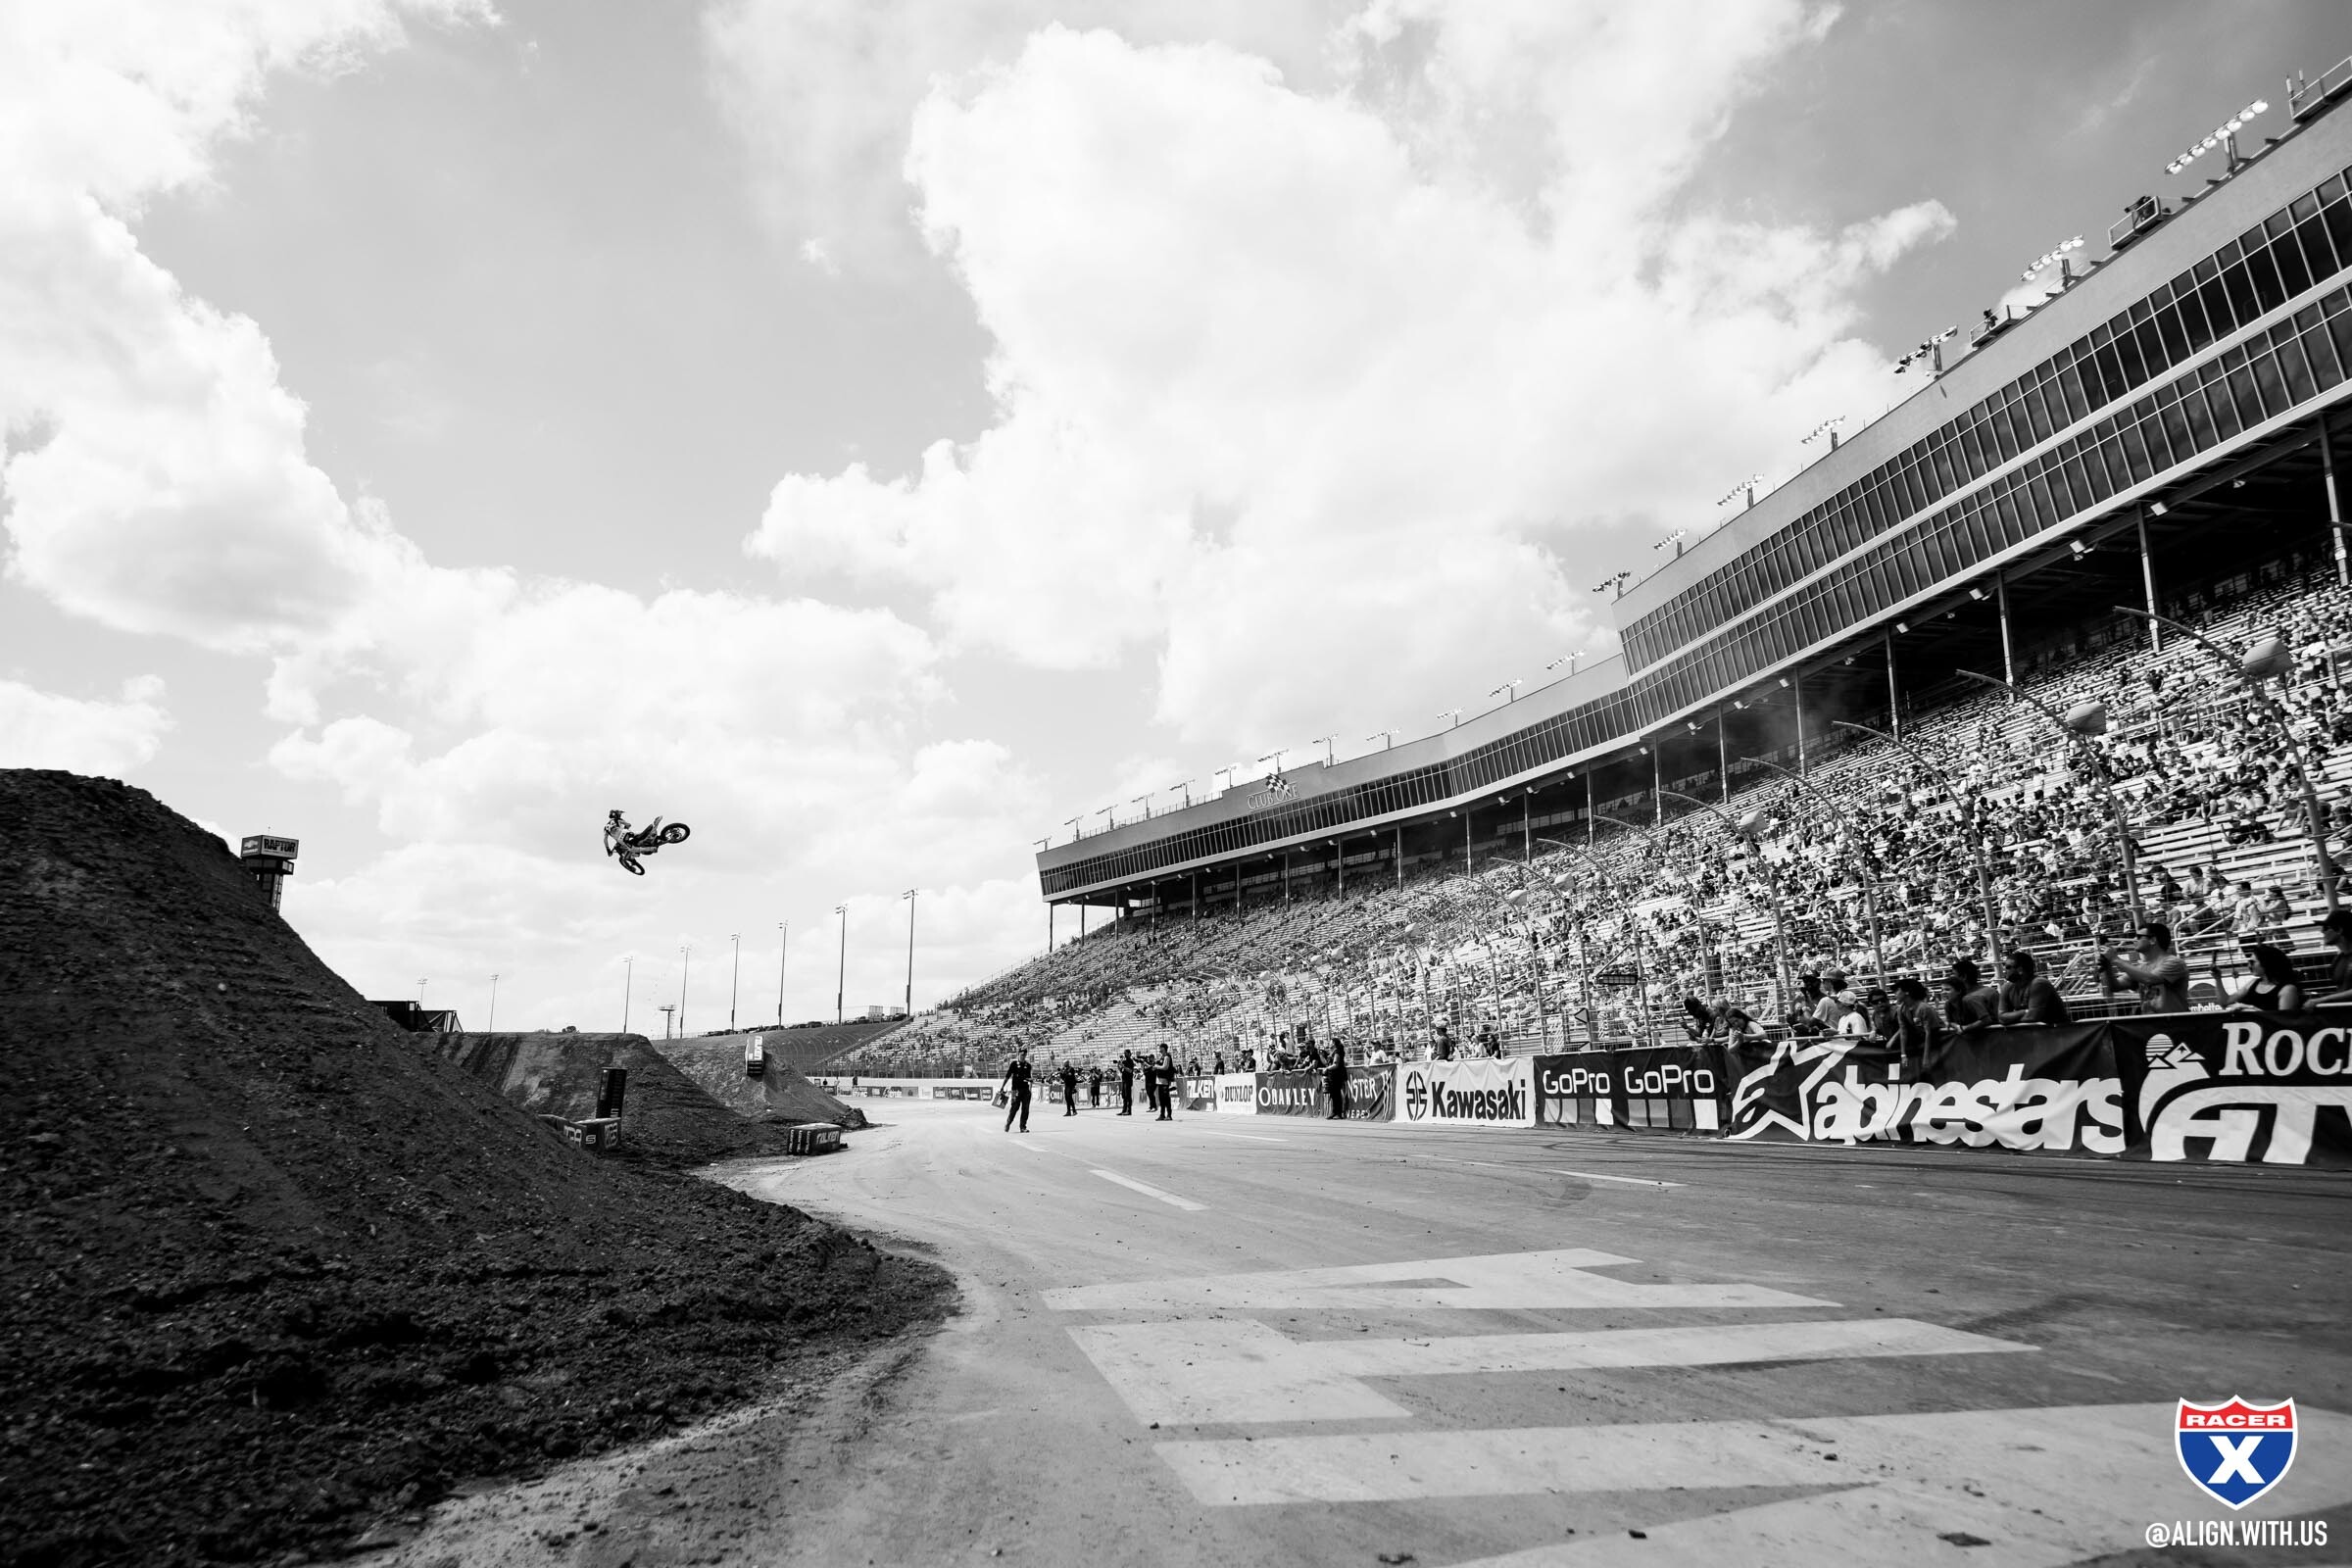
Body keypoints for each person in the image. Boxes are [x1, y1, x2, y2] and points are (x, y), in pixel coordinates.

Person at [2101, 921, 2191, 1015]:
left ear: (2152, 940)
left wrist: (2115, 959)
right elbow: (2115, 986)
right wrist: (2107, 966)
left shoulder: (2174, 962)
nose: (2135, 939)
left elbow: (2150, 979)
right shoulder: (2141, 967)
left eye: (2139, 937)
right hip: (2150, 1024)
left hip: (2175, 1023)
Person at [1994, 949, 2072, 1026]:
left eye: (2008, 967)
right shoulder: (2007, 987)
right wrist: (2024, 1012)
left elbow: (2032, 1017)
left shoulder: (2039, 984)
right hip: (2031, 1033)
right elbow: (2001, 1018)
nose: (2005, 970)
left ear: (2020, 970)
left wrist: (2011, 1019)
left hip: (2057, 1033)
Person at [1890, 977, 1944, 1078]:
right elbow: (1903, 1031)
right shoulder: (1901, 1009)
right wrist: (1903, 1055)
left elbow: (1929, 1033)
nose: (1895, 994)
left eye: (1897, 991)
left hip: (1940, 1042)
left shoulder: (1925, 1008)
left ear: (1907, 992)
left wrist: (1926, 1057)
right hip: (1923, 1043)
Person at [2230, 942, 2305, 1012]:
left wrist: (2251, 1009)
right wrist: (2218, 978)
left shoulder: (2288, 989)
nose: (2249, 966)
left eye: (2252, 962)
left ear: (2266, 963)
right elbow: (2225, 1002)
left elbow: (2284, 1020)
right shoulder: (2253, 983)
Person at [1945, 957, 2001, 1029]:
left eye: (1953, 974)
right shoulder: (1991, 991)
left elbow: (1998, 1018)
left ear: (1963, 977)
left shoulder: (1989, 993)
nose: (1951, 977)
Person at [2317, 909, 2352, 1004]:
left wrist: (2323, 1000)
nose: (2321, 931)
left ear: (2339, 930)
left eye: (2326, 928)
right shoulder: (2339, 958)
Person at [998, 1048, 1034, 1133]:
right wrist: (1002, 1086)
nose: (1023, 1057)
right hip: (1016, 1090)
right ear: (1018, 1055)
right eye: (1022, 1055)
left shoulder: (1028, 1066)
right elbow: (1008, 1075)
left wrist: (1030, 1082)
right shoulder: (1014, 1064)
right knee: (1014, 1108)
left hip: (1025, 1090)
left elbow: (1029, 1077)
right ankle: (1008, 1123)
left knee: (1025, 1109)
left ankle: (1023, 1127)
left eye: (1025, 1055)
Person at [1152, 1046, 1177, 1122]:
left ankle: (1169, 1115)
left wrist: (1157, 1067)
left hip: (1165, 1081)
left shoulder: (1167, 1057)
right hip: (1159, 1081)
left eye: (1161, 1049)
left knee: (1166, 1099)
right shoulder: (1162, 1058)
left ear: (1164, 1049)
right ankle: (1162, 1115)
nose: (1160, 1050)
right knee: (1161, 1099)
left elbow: (1165, 1067)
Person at [1116, 1049, 1136, 1115]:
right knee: (1124, 1095)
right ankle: (1124, 1110)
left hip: (1128, 1080)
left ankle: (1129, 1110)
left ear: (1129, 1053)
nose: (1125, 1054)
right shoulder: (1124, 1061)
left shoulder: (1130, 1061)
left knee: (1128, 1095)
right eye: (1124, 1053)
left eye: (1126, 1053)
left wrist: (1123, 1066)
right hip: (1124, 1080)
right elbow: (1122, 1071)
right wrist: (1119, 1066)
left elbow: (1130, 1071)